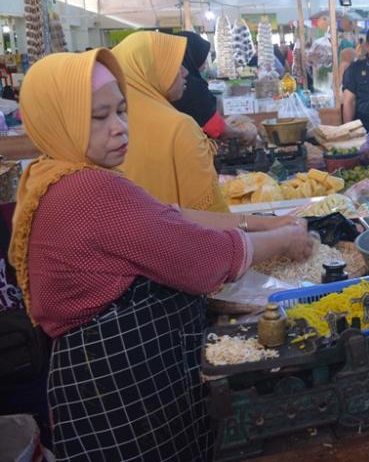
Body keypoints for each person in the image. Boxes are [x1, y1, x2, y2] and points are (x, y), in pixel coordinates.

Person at [9, 49, 313, 460]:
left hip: (105, 377)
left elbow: (166, 217)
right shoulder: (85, 190)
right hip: (120, 387)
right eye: (100, 117)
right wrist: (283, 241)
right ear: (57, 117)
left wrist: (264, 223)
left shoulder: (52, 173)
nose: (120, 129)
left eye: (121, 111)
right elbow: (197, 258)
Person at [113, 31, 229, 212]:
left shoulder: (108, 131)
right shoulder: (179, 128)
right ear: (149, 69)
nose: (185, 72)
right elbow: (213, 215)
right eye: (174, 64)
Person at [171, 31, 257, 143]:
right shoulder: (191, 86)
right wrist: (242, 133)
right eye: (203, 55)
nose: (184, 72)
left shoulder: (168, 80)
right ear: (193, 54)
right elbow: (217, 128)